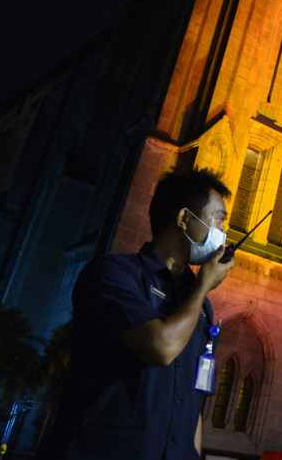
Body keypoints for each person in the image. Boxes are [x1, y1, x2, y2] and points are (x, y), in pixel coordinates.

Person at [36, 168, 235, 460]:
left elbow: (194, 403)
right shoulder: (114, 274)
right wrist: (203, 285)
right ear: (183, 219)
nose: (222, 232)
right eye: (218, 218)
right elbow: (161, 347)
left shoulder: (201, 307)